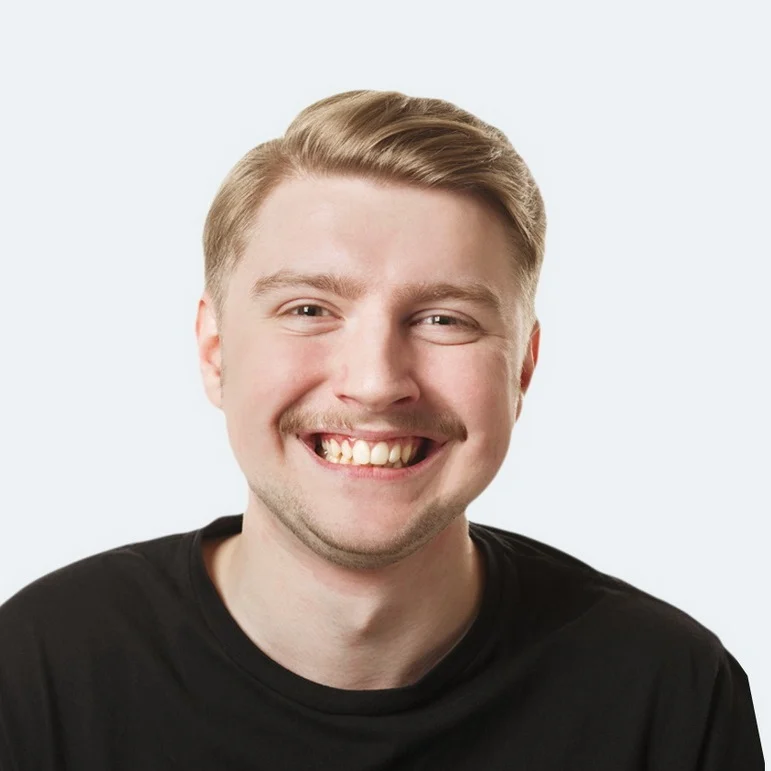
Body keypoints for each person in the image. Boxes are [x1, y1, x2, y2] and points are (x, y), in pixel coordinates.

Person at [0, 89, 763, 770]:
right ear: (215, 350)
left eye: (443, 319)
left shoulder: (667, 693)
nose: (373, 381)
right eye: (309, 309)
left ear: (522, 369)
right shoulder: (36, 672)